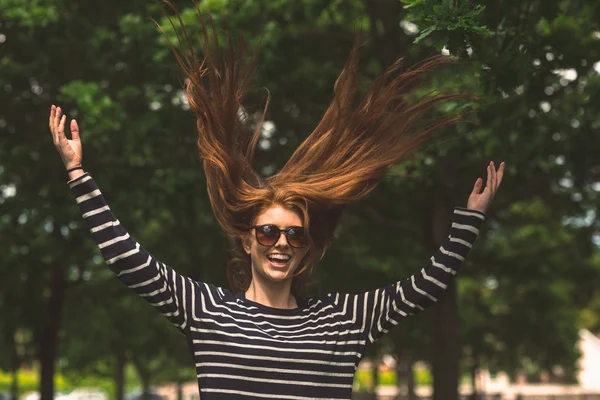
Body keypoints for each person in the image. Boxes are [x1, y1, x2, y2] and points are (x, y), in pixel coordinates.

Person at [49, 3, 504, 399]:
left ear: (306, 246)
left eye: (293, 234)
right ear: (247, 241)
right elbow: (130, 261)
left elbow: (424, 288)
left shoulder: (342, 321)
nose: (280, 242)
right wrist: (77, 173)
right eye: (268, 231)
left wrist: (469, 221)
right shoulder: (208, 311)